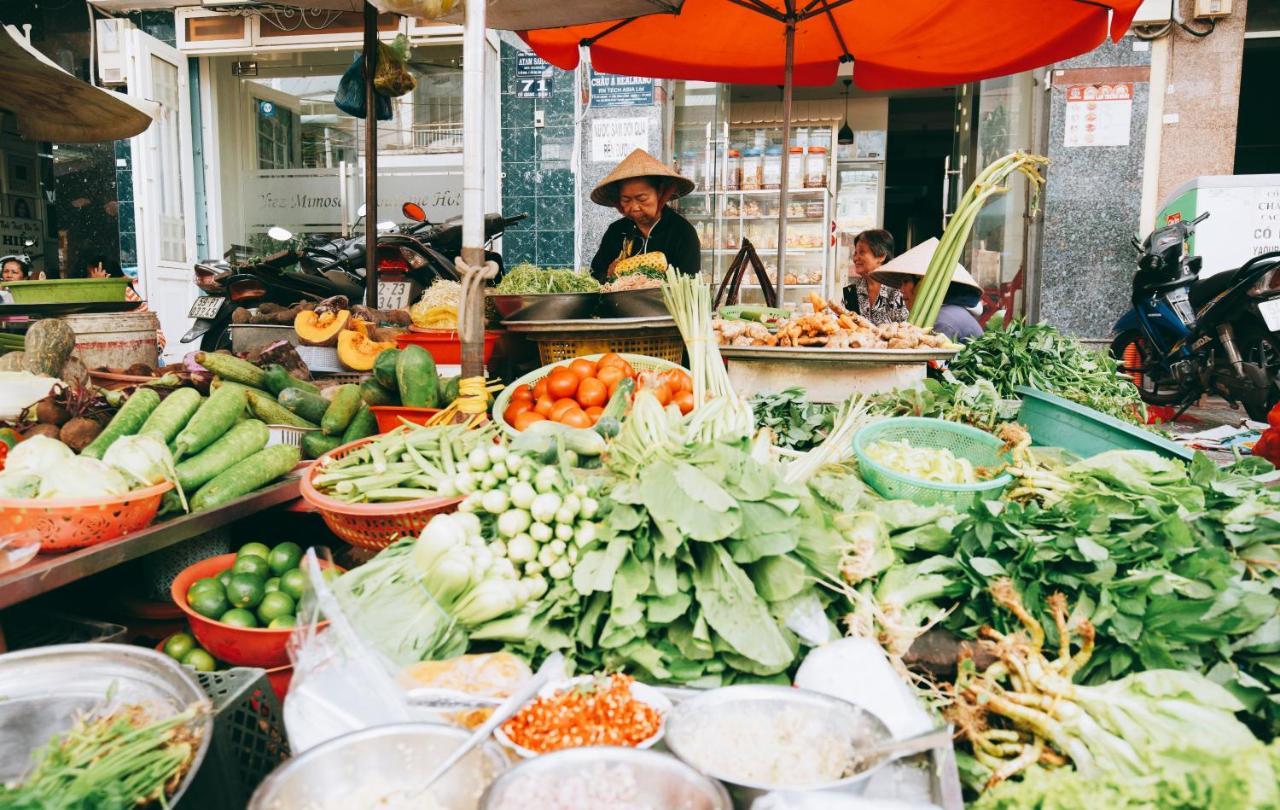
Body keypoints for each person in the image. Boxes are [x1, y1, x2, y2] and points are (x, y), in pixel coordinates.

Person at [589, 149, 700, 282]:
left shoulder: (682, 233)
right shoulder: (616, 231)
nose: (634, 207)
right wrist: (608, 275)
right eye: (626, 200)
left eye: (642, 199)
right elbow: (595, 275)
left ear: (659, 193)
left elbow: (689, 281)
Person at [871, 237, 984, 342]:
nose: (901, 290)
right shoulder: (946, 313)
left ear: (923, 284)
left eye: (906, 282)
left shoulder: (942, 321)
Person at [84, 253, 167, 354]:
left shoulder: (120, 292)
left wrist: (98, 285)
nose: (87, 279)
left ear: (106, 276)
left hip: (149, 343)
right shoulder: (119, 290)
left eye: (90, 275)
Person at [842, 229, 908, 325]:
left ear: (881, 256)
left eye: (862, 252)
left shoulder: (899, 290)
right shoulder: (850, 292)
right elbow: (846, 327)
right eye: (855, 253)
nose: (856, 258)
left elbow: (907, 331)